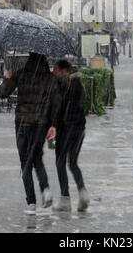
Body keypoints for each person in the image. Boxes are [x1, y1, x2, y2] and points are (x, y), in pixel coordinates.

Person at [0, 53, 61, 215]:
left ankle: (31, 203)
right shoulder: (50, 79)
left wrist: (8, 77)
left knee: (25, 162)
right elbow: (57, 104)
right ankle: (45, 189)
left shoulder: (20, 74)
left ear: (29, 60)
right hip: (40, 125)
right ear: (44, 61)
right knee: (37, 159)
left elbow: (3, 93)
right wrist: (53, 125)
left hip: (22, 124)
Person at [53, 60, 89, 212]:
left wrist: (54, 126)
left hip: (66, 128)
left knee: (60, 163)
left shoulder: (64, 85)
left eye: (55, 69)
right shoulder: (79, 84)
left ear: (62, 70)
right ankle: (83, 193)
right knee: (73, 162)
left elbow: (60, 109)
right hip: (79, 127)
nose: (54, 72)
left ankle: (65, 199)